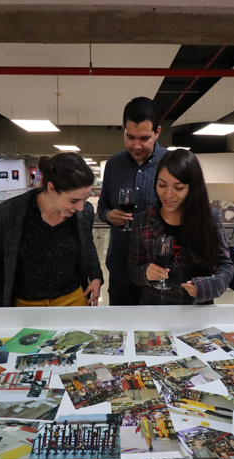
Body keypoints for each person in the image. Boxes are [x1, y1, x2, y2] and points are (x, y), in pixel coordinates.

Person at [0, 153, 103, 307]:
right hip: (26, 303)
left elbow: (88, 245)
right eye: (73, 200)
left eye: (86, 198)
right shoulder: (10, 212)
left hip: (72, 298)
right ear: (51, 188)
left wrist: (95, 276)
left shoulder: (84, 213)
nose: (81, 207)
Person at [126, 149, 234, 305]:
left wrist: (206, 287)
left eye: (178, 188)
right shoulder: (143, 220)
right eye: (162, 185)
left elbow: (226, 266)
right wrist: (145, 273)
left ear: (192, 188)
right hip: (155, 307)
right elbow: (132, 268)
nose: (168, 195)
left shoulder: (209, 218)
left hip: (196, 310)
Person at [98, 97, 168, 305]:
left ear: (158, 132)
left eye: (144, 138)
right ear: (123, 130)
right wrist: (109, 215)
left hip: (157, 266)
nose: (136, 145)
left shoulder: (169, 163)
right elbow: (102, 207)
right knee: (120, 329)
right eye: (130, 137)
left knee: (155, 333)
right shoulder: (113, 164)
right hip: (120, 263)